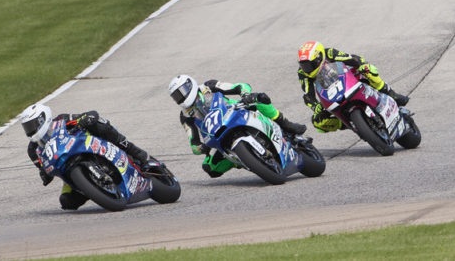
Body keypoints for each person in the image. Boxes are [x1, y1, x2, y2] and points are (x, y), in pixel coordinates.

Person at [21, 103, 157, 210]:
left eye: (32, 125)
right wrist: (45, 174)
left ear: (43, 119)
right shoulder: (33, 149)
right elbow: (42, 168)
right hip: (67, 168)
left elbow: (89, 115)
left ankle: (137, 153)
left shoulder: (61, 120)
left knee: (100, 125)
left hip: (87, 146)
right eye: (27, 127)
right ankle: (94, 190)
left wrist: (86, 119)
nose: (30, 130)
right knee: (67, 202)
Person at [167, 75, 306, 179]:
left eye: (181, 92)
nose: (180, 98)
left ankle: (286, 125)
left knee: (260, 99)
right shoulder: (185, 116)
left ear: (190, 85)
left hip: (236, 111)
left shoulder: (209, 86)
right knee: (210, 168)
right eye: (176, 97)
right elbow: (193, 142)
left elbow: (239, 86)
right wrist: (200, 148)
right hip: (218, 134)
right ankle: (241, 159)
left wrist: (245, 95)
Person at [298, 41, 410, 132]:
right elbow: (308, 95)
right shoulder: (303, 73)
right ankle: (346, 122)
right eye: (303, 65)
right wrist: (315, 107)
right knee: (318, 122)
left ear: (319, 58)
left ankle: (391, 94)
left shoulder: (330, 54)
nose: (307, 68)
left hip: (349, 79)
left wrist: (362, 65)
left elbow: (353, 59)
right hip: (331, 93)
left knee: (368, 70)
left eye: (309, 64)